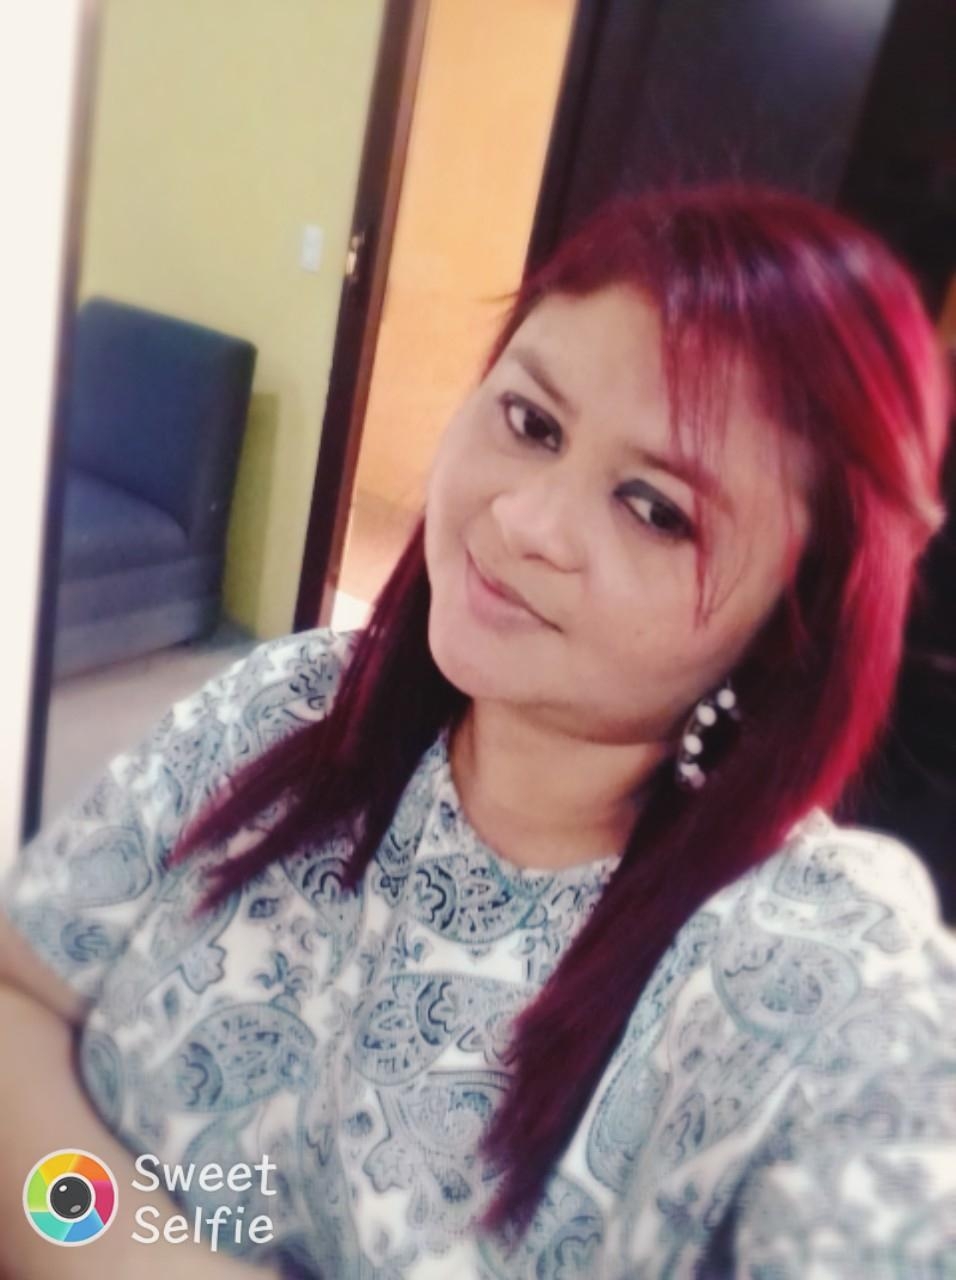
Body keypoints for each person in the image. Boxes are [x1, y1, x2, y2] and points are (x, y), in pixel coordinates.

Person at [1, 183, 954, 1280]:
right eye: (532, 423)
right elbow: (21, 995)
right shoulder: (288, 700)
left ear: (787, 626)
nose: (525, 521)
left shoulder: (805, 972)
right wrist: (126, 1248)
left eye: (655, 508)